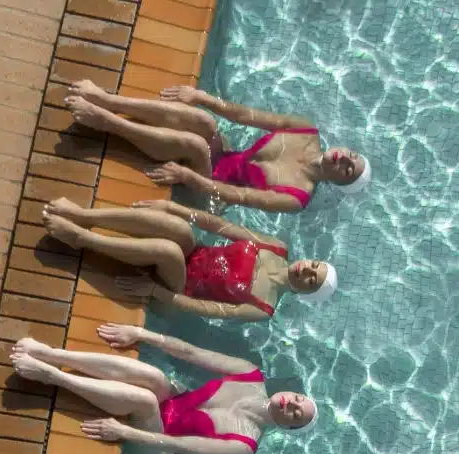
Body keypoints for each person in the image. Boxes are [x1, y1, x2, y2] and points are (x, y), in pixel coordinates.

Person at [10, 325, 315, 454]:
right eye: (298, 400)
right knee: (155, 377)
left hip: (157, 448)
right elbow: (191, 353)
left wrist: (124, 433)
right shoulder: (249, 374)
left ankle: (53, 377)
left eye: (296, 414)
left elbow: (181, 444)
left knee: (144, 401)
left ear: (287, 426)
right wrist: (142, 334)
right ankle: (53, 354)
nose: (291, 404)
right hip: (175, 402)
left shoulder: (245, 442)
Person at [64, 78, 368, 210]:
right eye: (350, 156)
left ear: (338, 182)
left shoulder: (296, 197)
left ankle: (104, 121)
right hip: (225, 157)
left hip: (208, 191)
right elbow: (247, 116)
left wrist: (188, 177)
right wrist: (203, 98)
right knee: (206, 122)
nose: (343, 159)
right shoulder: (305, 130)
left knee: (195, 146)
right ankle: (107, 99)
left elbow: (237, 196)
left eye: (347, 169)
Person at [42, 195, 334, 318]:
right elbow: (222, 226)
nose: (305, 271)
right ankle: (83, 215)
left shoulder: (264, 307)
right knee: (180, 229)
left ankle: (81, 238)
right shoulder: (276, 248)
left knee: (169, 252)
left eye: (311, 281)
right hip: (194, 254)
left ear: (303, 293)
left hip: (178, 290)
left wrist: (154, 290)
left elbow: (203, 309)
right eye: (314, 266)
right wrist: (175, 208)